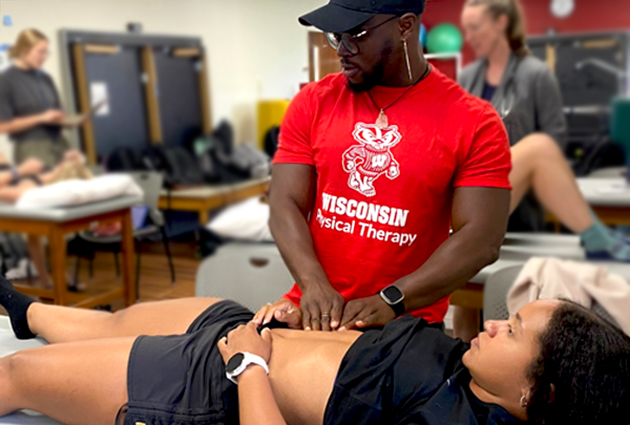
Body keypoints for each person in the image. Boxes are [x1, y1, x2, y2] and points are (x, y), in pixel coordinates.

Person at [0, 277, 627, 425]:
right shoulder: (471, 369)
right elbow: (371, 370)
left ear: (536, 394)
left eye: (511, 332)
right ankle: (26, 310)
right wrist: (308, 329)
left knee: (18, 376)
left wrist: (250, 363)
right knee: (117, 319)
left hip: (217, 385)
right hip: (255, 331)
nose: (492, 326)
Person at [261, 0, 512, 334]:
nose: (342, 50)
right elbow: (284, 202)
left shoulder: (475, 122)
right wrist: (313, 284)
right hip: (315, 313)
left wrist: (392, 299)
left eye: (355, 36)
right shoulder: (313, 102)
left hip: (404, 324)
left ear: (405, 26)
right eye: (336, 37)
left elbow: (482, 239)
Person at [454, 0, 630, 341]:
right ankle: (461, 351)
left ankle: (595, 236)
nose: (470, 36)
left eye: (476, 27)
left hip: (517, 198)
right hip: (474, 188)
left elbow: (554, 143)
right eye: (467, 28)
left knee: (538, 149)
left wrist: (506, 152)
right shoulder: (469, 77)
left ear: (502, 24)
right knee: (463, 294)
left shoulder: (534, 75)